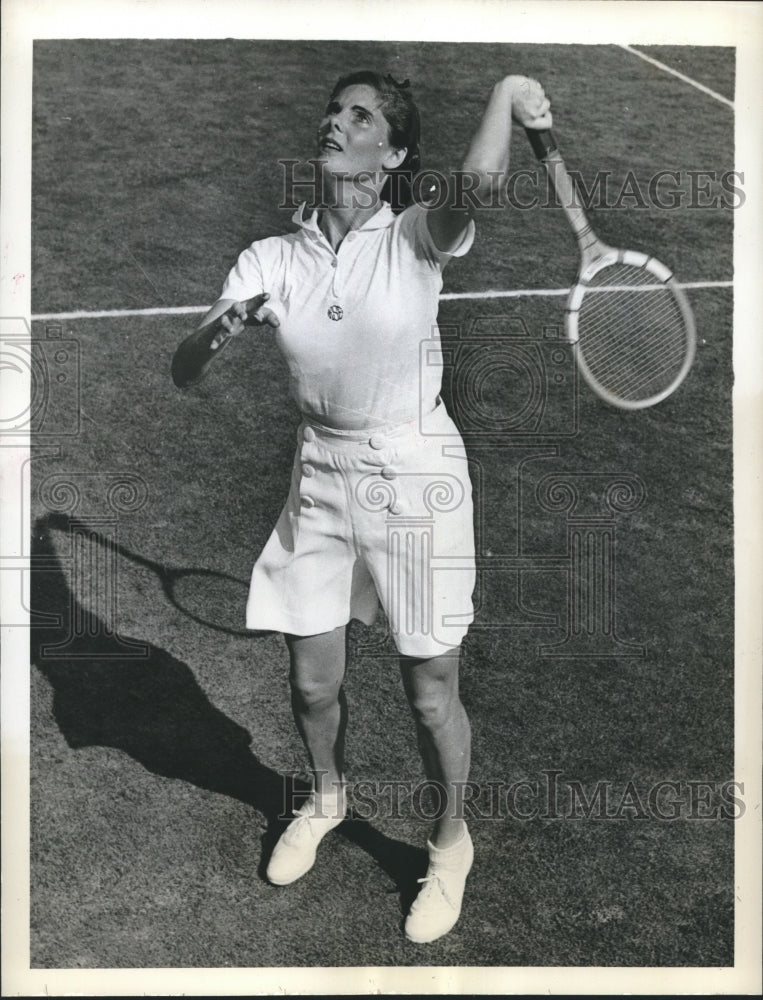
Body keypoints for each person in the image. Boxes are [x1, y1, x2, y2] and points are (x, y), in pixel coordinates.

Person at [174, 69, 551, 944]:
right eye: (333, 109)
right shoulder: (272, 257)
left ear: (393, 153)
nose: (334, 122)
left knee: (428, 693)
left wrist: (500, 93)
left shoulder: (417, 234)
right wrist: (217, 332)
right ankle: (329, 797)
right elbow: (184, 372)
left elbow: (479, 189)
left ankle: (450, 845)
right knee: (312, 682)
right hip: (321, 475)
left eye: (359, 115)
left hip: (415, 472)